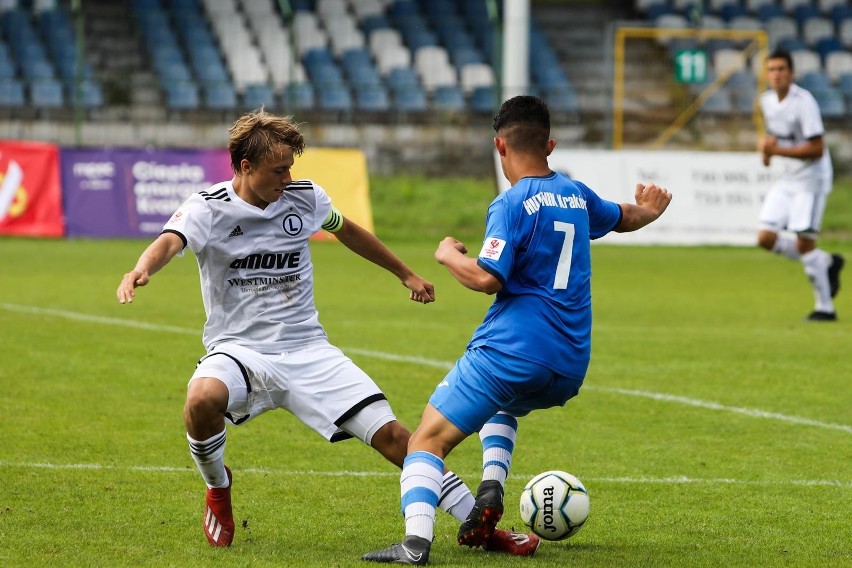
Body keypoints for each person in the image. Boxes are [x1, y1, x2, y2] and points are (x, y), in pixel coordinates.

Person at [116, 109, 538, 555]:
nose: (287, 177)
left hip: (308, 351)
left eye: (290, 167)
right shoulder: (208, 208)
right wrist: (142, 269)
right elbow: (169, 241)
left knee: (399, 439)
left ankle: (483, 528)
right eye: (278, 170)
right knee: (201, 399)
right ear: (245, 167)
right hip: (240, 350)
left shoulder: (304, 198)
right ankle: (218, 487)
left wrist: (405, 274)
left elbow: (349, 232)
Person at [362, 95, 672, 565]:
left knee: (426, 439)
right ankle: (490, 489)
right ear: (549, 144)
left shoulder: (511, 202)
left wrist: (447, 255)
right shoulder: (575, 193)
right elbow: (621, 216)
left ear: (499, 146)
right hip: (568, 364)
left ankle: (414, 545)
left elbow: (488, 278)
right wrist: (647, 212)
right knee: (502, 403)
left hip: (513, 349)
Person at [757, 48, 844, 321]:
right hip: (787, 178)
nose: (777, 74)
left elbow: (817, 148)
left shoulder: (803, 102)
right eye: (772, 69)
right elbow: (775, 140)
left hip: (811, 180)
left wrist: (777, 152)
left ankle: (825, 308)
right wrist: (767, 153)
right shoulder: (767, 101)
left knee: (805, 243)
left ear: (792, 74)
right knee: (765, 238)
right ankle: (826, 262)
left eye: (782, 69)